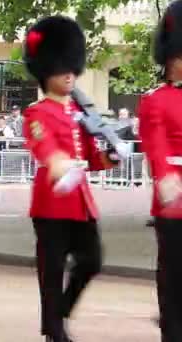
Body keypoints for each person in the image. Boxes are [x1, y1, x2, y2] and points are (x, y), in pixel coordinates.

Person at [21, 16, 120, 342]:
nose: (69, 74)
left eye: (71, 68)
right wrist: (57, 162)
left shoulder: (80, 113)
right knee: (51, 273)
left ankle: (56, 315)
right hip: (50, 201)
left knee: (92, 261)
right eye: (62, 68)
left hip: (79, 202)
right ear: (46, 71)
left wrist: (113, 156)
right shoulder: (36, 112)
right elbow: (42, 144)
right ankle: (55, 330)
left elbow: (91, 158)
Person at [138, 1, 182, 340]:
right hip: (174, 199)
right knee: (173, 275)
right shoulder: (156, 99)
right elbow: (155, 141)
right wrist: (164, 175)